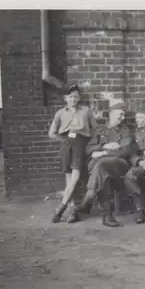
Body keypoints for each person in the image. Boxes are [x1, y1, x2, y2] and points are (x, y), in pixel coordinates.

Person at [65, 101, 134, 227]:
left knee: (101, 166)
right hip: (100, 165)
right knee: (103, 174)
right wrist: (105, 146)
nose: (123, 118)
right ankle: (107, 216)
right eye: (121, 114)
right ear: (111, 114)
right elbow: (88, 149)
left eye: (124, 115)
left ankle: (87, 201)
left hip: (118, 165)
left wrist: (101, 153)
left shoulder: (126, 132)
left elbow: (124, 151)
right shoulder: (99, 130)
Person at [50, 83, 97, 223]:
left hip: (80, 144)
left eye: (76, 96)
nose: (73, 99)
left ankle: (61, 208)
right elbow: (52, 133)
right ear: (65, 98)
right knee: (69, 180)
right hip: (67, 145)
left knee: (75, 178)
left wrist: (89, 144)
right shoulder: (60, 113)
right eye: (70, 97)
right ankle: (72, 212)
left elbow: (95, 130)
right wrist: (64, 140)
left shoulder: (86, 111)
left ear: (79, 98)